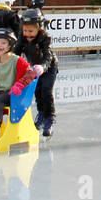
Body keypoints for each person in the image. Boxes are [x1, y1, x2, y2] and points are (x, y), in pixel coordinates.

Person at [18, 7, 59, 137]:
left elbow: (48, 55)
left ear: (39, 28)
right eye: (25, 30)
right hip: (34, 69)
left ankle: (50, 118)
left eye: (31, 31)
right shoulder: (22, 38)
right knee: (36, 91)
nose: (27, 34)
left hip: (49, 67)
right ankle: (41, 113)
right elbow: (16, 53)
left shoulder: (45, 37)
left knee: (46, 90)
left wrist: (43, 66)